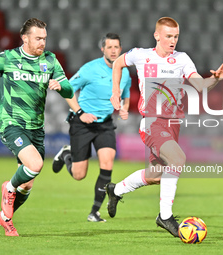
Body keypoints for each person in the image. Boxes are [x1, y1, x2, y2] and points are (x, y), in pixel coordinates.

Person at [106, 17, 223, 237]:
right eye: (168, 36)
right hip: (152, 121)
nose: (173, 41)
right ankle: (164, 217)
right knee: (178, 159)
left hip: (173, 123)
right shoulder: (142, 55)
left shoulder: (182, 59)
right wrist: (115, 91)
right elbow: (118, 63)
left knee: (156, 175)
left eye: (176, 37)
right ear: (157, 36)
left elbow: (200, 84)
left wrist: (215, 80)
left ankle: (115, 190)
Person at [0, 18, 74, 236]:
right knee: (35, 164)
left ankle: (6, 217)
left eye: (45, 39)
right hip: (11, 122)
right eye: (38, 38)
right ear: (25, 38)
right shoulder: (7, 58)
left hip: (36, 127)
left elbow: (69, 90)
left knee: (27, 184)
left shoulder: (50, 60)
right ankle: (8, 188)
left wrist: (60, 86)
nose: (42, 43)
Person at [51, 33, 131, 222]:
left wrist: (125, 108)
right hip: (82, 123)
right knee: (79, 175)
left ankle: (94, 212)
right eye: (109, 47)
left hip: (105, 124)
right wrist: (80, 113)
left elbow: (125, 95)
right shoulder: (89, 69)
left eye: (116, 47)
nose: (113, 50)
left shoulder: (125, 72)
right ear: (102, 49)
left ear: (120, 49)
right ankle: (66, 155)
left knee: (107, 163)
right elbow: (67, 90)